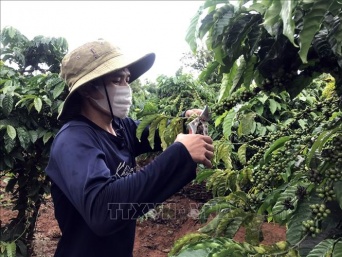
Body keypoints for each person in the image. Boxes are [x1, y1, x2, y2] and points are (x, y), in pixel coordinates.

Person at [45, 39, 214, 257]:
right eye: (117, 80)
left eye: (127, 79)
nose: (126, 88)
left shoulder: (119, 126)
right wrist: (180, 153)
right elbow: (103, 210)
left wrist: (183, 120)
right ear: (88, 89)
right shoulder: (73, 140)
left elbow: (152, 133)